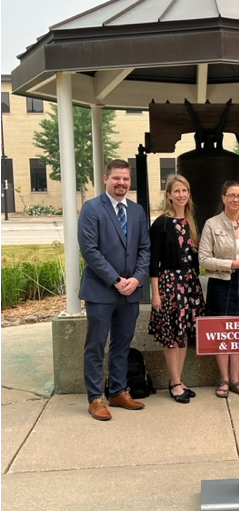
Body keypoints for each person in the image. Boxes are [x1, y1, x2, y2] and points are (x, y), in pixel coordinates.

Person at [78, 159, 150, 421]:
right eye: (117, 178)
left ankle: (118, 391)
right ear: (106, 179)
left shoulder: (138, 211)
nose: (121, 183)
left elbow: (145, 249)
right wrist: (116, 280)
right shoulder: (92, 209)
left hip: (130, 292)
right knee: (96, 345)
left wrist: (138, 278)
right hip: (101, 291)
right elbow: (90, 250)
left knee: (122, 343)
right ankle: (95, 398)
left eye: (125, 179)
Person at [148, 174, 205, 404]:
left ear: (189, 194)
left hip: (190, 283)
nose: (181, 195)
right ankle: (173, 382)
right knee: (172, 336)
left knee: (183, 335)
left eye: (185, 191)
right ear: (169, 195)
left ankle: (179, 380)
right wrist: (155, 292)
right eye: (177, 191)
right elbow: (153, 261)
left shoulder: (190, 222)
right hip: (170, 283)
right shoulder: (162, 223)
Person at [199, 180, 239, 398]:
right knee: (222, 332)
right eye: (231, 195)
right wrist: (231, 264)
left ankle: (236, 379)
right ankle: (224, 379)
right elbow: (203, 259)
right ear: (223, 197)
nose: (235, 200)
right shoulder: (212, 224)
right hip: (221, 282)